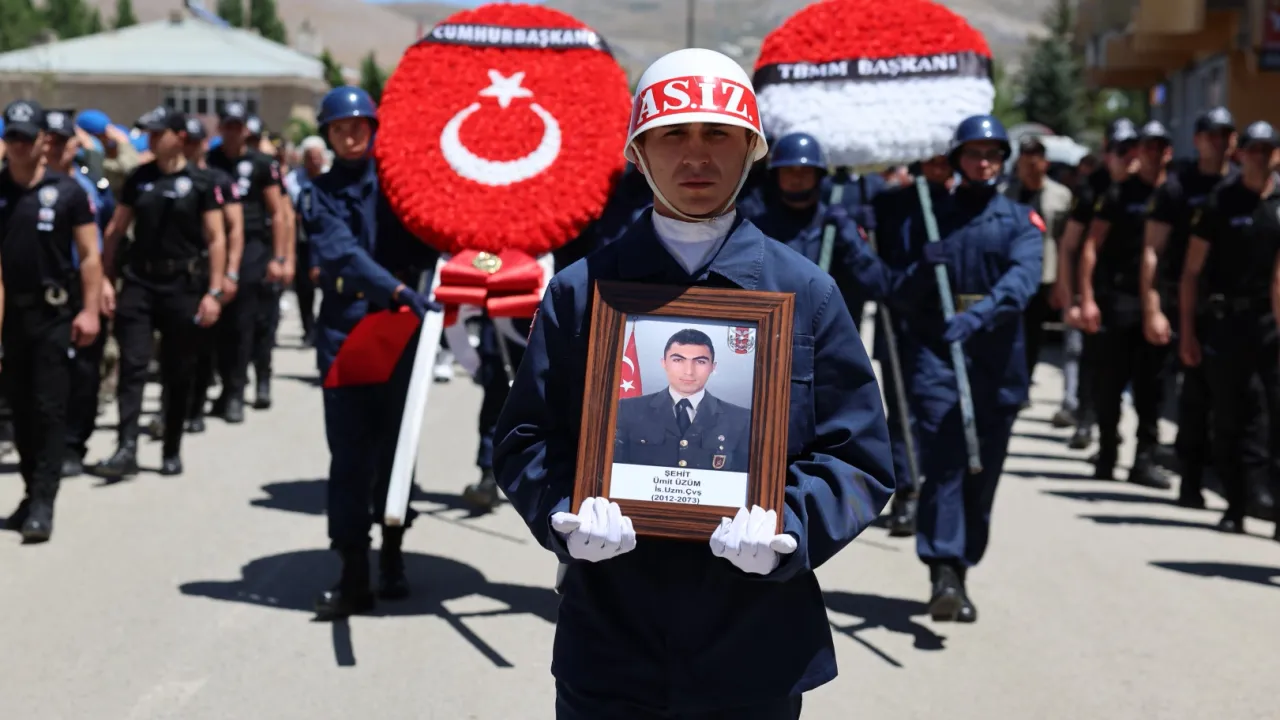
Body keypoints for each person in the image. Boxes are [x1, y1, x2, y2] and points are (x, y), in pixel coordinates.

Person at [493, 48, 895, 718]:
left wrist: (791, 525)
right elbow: (524, 440)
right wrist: (563, 510)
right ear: (639, 152)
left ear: (751, 149)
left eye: (719, 134)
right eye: (673, 133)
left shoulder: (807, 294)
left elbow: (860, 460)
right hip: (611, 642)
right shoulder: (580, 292)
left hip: (755, 644)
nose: (697, 155)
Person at [883, 116, 1041, 623]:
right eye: (974, 154)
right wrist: (922, 268)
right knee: (946, 458)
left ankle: (962, 565)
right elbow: (897, 292)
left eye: (993, 154)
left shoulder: (1020, 220)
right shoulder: (932, 217)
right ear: (957, 160)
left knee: (982, 470)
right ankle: (943, 570)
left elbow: (1023, 280)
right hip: (939, 359)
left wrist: (979, 315)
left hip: (996, 362)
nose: (984, 163)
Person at [301, 86, 441, 620]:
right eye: (340, 128)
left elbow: (435, 231)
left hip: (402, 328)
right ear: (328, 135)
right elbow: (343, 254)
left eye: (359, 125)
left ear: (374, 128)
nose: (351, 135)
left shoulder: (402, 184)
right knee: (350, 455)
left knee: (398, 448)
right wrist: (401, 291)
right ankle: (353, 572)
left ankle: (394, 556)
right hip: (348, 330)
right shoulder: (318, 193)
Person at [92, 106, 227, 478]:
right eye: (148, 133)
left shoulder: (201, 183)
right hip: (140, 282)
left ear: (179, 137)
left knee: (177, 369)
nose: (151, 140)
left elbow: (216, 238)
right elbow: (115, 231)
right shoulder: (140, 178)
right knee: (133, 365)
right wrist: (105, 279)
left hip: (183, 285)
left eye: (158, 133)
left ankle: (171, 445)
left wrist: (215, 291)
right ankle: (126, 447)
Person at [0, 100, 103, 542]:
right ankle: (30, 492)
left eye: (27, 138)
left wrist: (90, 310)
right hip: (11, 316)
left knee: (48, 407)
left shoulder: (68, 192)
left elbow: (90, 256)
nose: (19, 146)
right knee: (19, 410)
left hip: (54, 314)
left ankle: (45, 500)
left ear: (43, 140)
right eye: (12, 137)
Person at [1179, 120, 1280, 541]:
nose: (1260, 157)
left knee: (1275, 417)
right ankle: (1235, 505)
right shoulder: (1221, 201)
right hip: (1228, 323)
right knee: (1229, 417)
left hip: (1272, 324)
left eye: (1267, 150)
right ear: (1242, 155)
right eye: (1253, 149)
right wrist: (1188, 331)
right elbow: (1191, 271)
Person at [1142, 107, 1237, 508]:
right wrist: (1152, 307)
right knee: (1191, 397)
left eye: (1225, 135)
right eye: (1211, 135)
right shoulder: (1177, 188)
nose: (1219, 142)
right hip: (1184, 301)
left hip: (1233, 308)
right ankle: (1189, 480)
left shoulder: (1243, 185)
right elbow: (1152, 249)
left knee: (1233, 401)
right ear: (1197, 140)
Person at [1078, 120, 1173, 489]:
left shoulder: (1173, 192)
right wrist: (1086, 297)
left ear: (1167, 152)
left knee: (1152, 387)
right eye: (1146, 146)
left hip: (1158, 300)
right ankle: (1107, 452)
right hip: (1119, 299)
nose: (1152, 153)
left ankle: (1144, 459)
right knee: (1110, 382)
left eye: (1159, 147)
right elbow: (1091, 245)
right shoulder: (1119, 193)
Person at [1055, 120, 1139, 447]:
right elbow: (1070, 246)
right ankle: (1085, 420)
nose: (1127, 156)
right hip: (1095, 287)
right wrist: (1070, 296)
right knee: (1091, 359)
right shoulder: (1092, 187)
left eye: (1133, 149)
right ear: (1107, 151)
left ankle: (1110, 426)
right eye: (1121, 150)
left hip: (1132, 291)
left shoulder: (1145, 187)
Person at [40, 108, 113, 479]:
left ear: (75, 145)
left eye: (62, 141)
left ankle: (73, 443)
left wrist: (103, 284)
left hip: (81, 281)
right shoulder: (21, 186)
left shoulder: (89, 186)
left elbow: (99, 243)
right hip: (38, 285)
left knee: (84, 369)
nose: (54, 149)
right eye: (49, 140)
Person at [206, 102, 289, 420]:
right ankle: (225, 385)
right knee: (220, 327)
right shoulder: (210, 161)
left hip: (253, 247)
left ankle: (238, 392)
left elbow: (278, 213)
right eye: (227, 125)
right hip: (216, 245)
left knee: (246, 323)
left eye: (238, 126)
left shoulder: (261, 164)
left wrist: (279, 257)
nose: (232, 132)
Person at [613, 328, 751, 472]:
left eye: (700, 362)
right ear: (664, 363)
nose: (689, 371)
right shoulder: (627, 411)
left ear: (712, 367)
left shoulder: (741, 420)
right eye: (678, 360)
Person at [183, 116, 244, 434]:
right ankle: (177, 406)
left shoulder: (217, 180)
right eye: (185, 141)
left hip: (209, 272)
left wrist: (228, 273)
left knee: (214, 342)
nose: (189, 148)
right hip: (177, 273)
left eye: (195, 142)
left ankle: (208, 402)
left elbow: (233, 229)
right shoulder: (162, 178)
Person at [1002, 136, 1072, 389]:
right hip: (1010, 272)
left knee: (1033, 333)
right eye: (1025, 160)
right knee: (1008, 331)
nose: (1030, 166)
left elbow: (1066, 242)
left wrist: (1062, 283)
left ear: (1045, 163)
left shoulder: (1060, 195)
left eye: (1035, 160)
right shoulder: (1005, 194)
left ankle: (1024, 382)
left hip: (1044, 275)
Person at [284, 136, 329, 345]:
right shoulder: (293, 181)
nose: (315, 161)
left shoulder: (331, 178)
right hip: (302, 240)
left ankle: (324, 327)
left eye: (318, 157)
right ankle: (308, 329)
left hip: (326, 241)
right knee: (304, 288)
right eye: (311, 157)